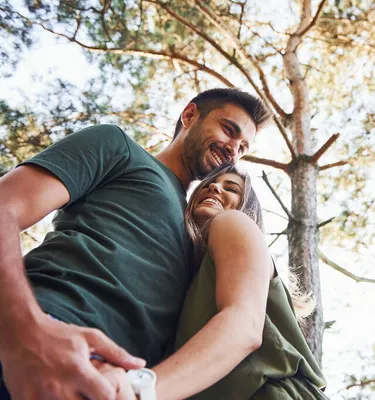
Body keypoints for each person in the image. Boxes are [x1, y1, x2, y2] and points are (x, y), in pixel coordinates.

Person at [0, 88, 271, 399]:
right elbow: (5, 206)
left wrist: (141, 389)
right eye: (228, 130)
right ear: (189, 115)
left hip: (115, 384)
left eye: (243, 148)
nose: (232, 151)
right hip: (42, 335)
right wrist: (24, 332)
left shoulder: (199, 231)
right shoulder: (118, 147)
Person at [153, 163, 328, 399]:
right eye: (208, 184)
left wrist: (142, 390)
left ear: (246, 208)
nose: (214, 187)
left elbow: (243, 328)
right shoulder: (193, 279)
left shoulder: (231, 222)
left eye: (232, 188)